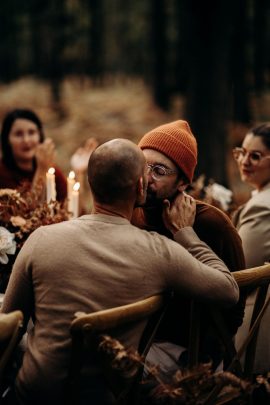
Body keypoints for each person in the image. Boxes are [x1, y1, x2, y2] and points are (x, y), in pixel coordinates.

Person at [1, 139, 239, 405]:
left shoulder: (40, 238)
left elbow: (8, 325)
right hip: (107, 397)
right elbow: (229, 290)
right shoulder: (158, 252)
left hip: (32, 397)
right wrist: (186, 234)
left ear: (90, 183)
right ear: (140, 187)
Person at [131, 120, 246, 370]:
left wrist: (199, 360)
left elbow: (234, 310)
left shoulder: (212, 225)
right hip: (136, 341)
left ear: (182, 183)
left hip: (188, 355)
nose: (146, 177)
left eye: (159, 171)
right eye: (142, 165)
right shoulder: (129, 212)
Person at [232, 123, 270, 374]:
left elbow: (236, 267)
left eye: (255, 156)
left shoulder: (262, 208)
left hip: (254, 329)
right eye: (241, 152)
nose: (245, 161)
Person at [0, 109, 67, 201]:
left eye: (31, 132)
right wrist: (42, 169)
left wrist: (80, 172)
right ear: (7, 140)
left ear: (40, 136)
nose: (26, 140)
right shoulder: (2, 172)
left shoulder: (52, 170)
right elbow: (26, 212)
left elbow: (73, 208)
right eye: (18, 134)